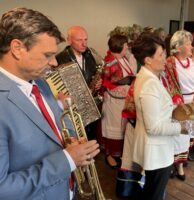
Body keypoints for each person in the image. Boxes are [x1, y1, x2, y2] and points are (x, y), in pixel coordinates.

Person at [0, 7, 100, 200]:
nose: (54, 63)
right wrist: (67, 160)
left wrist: (72, 139)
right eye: (47, 55)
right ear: (17, 48)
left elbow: (50, 127)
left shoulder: (41, 82)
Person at [131, 33, 188, 200]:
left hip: (156, 148)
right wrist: (182, 128)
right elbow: (154, 127)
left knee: (152, 192)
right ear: (148, 60)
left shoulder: (148, 77)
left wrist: (178, 108)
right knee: (154, 194)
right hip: (156, 151)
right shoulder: (149, 83)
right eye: (161, 54)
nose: (165, 58)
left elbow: (158, 109)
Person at [165, 30, 194, 179]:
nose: (192, 46)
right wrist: (177, 103)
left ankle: (180, 164)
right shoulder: (170, 62)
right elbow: (166, 85)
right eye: (189, 43)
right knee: (175, 133)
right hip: (176, 103)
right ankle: (170, 163)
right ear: (179, 46)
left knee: (185, 134)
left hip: (191, 103)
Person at [102, 34, 135, 168]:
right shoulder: (111, 60)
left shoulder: (122, 58)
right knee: (114, 130)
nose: (127, 46)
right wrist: (131, 80)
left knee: (122, 129)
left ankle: (120, 153)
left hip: (123, 101)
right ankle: (110, 155)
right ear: (120, 45)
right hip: (114, 102)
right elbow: (113, 80)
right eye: (125, 44)